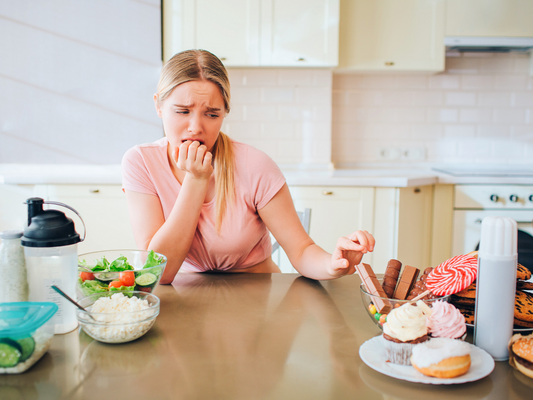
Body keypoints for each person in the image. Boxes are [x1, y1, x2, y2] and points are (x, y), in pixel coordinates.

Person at [122, 49, 375, 284]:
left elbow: (301, 250)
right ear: (158, 105)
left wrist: (333, 264)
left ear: (224, 113)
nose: (195, 127)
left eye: (212, 114)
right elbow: (158, 273)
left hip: (260, 296)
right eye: (182, 111)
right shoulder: (141, 163)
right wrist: (196, 180)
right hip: (186, 298)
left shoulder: (255, 165)